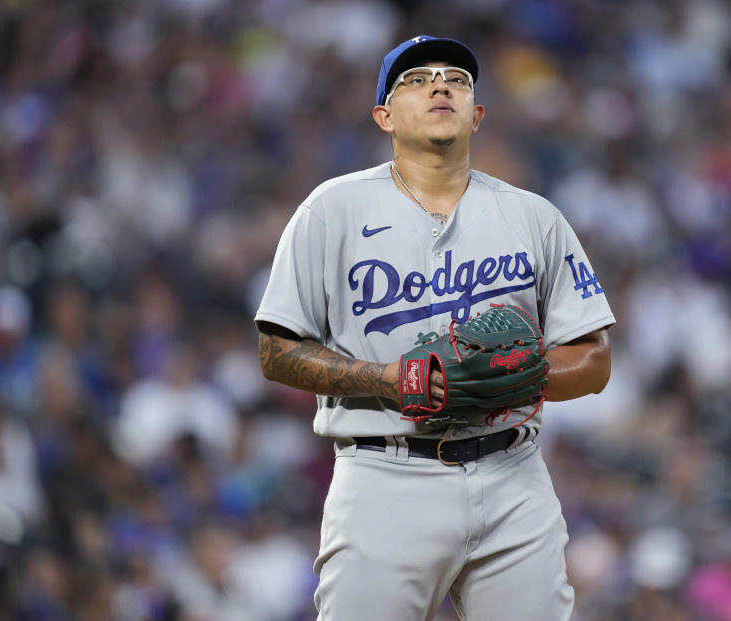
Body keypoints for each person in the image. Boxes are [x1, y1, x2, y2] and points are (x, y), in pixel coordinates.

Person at [255, 35, 615, 621]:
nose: (440, 84)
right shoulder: (331, 210)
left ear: (476, 115)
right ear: (384, 116)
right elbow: (276, 350)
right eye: (416, 80)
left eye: (456, 78)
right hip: (383, 473)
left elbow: (595, 360)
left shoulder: (534, 217)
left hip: (512, 475)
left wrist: (513, 377)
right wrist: (391, 379)